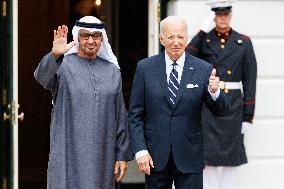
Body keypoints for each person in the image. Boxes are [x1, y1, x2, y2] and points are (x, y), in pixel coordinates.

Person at [128, 16, 229, 189]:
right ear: (161, 39)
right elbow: (135, 115)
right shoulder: (145, 68)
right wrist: (140, 151)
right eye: (171, 37)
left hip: (190, 155)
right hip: (154, 156)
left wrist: (215, 92)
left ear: (186, 37)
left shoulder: (203, 69)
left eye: (180, 37)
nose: (176, 42)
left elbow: (222, 111)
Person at [34, 16, 132, 189]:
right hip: (68, 149)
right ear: (77, 38)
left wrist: (122, 154)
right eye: (85, 35)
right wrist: (55, 55)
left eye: (96, 36)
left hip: (102, 152)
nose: (91, 40)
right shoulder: (63, 66)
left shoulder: (112, 71)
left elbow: (120, 116)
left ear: (102, 38)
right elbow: (42, 78)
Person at [186, 1, 257, 189]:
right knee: (207, 158)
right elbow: (187, 57)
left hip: (232, 105)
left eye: (226, 14)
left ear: (231, 15)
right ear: (214, 16)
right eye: (218, 14)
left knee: (229, 160)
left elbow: (250, 79)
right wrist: (201, 30)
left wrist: (248, 116)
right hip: (209, 104)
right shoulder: (205, 40)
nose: (223, 17)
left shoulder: (243, 41)